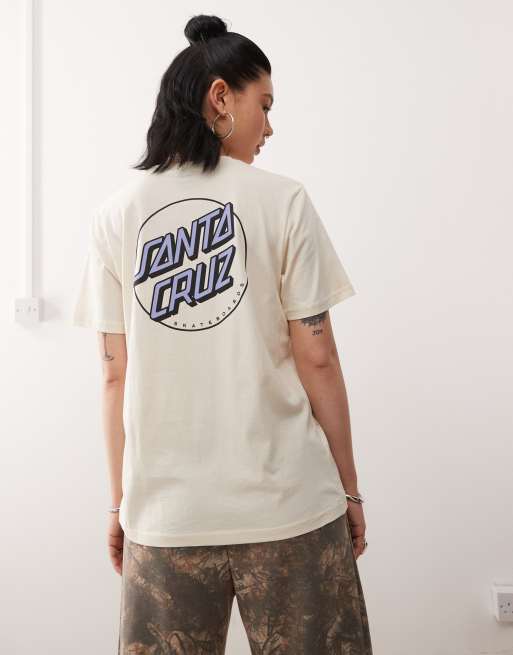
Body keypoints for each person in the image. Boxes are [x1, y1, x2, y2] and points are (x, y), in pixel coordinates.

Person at [71, 13, 373, 655]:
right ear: (220, 98)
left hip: (167, 517)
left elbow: (114, 375)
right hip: (290, 507)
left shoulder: (114, 217)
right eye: (265, 104)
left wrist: (121, 503)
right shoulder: (283, 201)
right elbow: (318, 357)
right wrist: (349, 488)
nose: (270, 126)